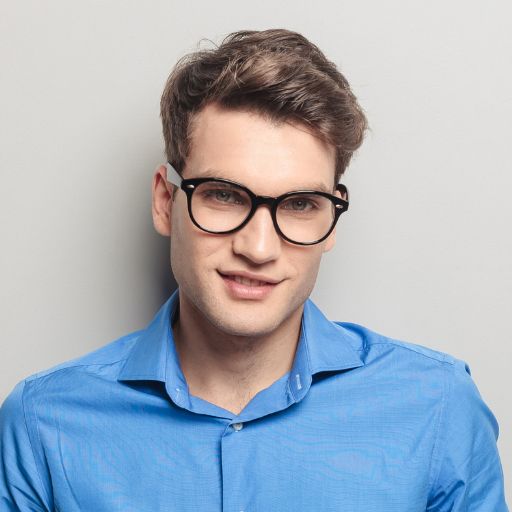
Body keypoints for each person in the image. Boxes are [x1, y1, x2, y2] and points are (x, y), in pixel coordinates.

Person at [0, 28, 508, 512]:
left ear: (332, 220)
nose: (259, 248)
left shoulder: (437, 407)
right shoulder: (44, 423)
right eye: (224, 195)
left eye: (300, 204)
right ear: (165, 202)